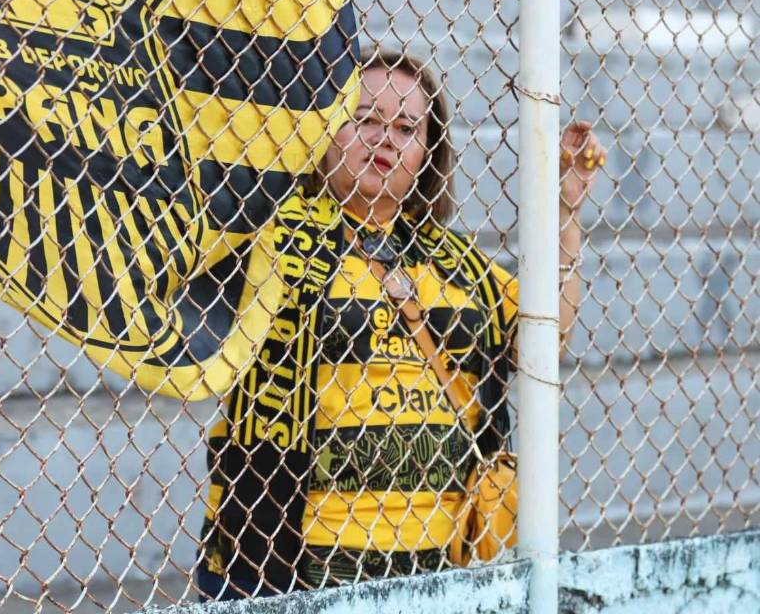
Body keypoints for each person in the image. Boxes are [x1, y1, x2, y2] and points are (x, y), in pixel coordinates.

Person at [197, 50, 605, 599]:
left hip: (440, 562)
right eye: (364, 118)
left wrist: (566, 211)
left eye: (408, 127)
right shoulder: (270, 236)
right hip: (289, 558)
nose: (384, 138)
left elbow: (546, 334)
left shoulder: (454, 261)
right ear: (324, 127)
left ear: (428, 152)